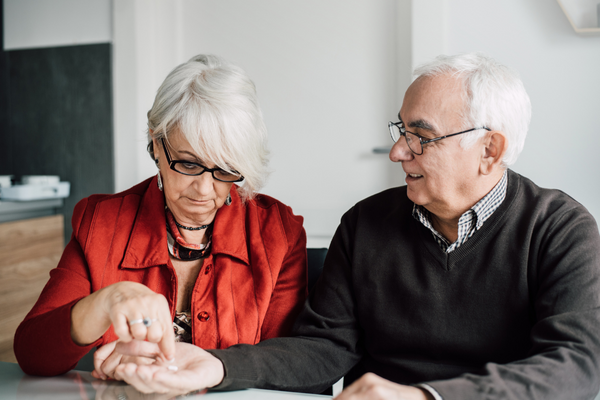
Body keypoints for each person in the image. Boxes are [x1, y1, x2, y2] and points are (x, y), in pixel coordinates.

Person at [80, 53, 600, 399]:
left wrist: (425, 397)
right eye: (401, 130)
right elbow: (325, 349)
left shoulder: (560, 229)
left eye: (421, 136)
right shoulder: (366, 224)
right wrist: (217, 367)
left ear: (490, 150)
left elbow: (577, 364)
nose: (398, 151)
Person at [14, 55, 308, 381]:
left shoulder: (278, 233)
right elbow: (31, 353)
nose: (204, 188)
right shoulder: (101, 222)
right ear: (156, 143)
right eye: (188, 163)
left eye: (225, 169)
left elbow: (291, 366)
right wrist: (102, 303)